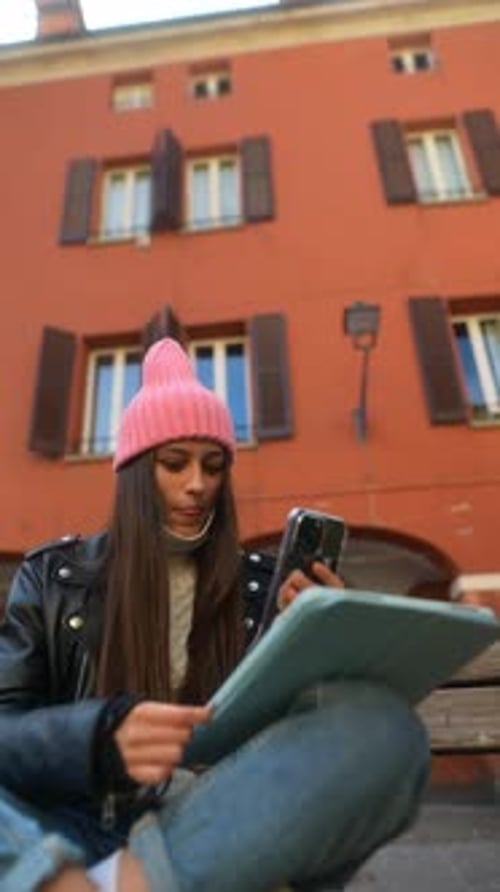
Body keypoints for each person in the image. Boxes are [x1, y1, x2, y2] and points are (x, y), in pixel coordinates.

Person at [0, 338, 430, 892]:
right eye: (173, 463)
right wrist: (93, 740)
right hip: (73, 826)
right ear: (134, 473)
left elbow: (289, 741)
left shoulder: (264, 587)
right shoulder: (54, 577)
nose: (197, 484)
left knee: (384, 726)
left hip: (213, 818)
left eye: (213, 466)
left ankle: (132, 882)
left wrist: (317, 639)